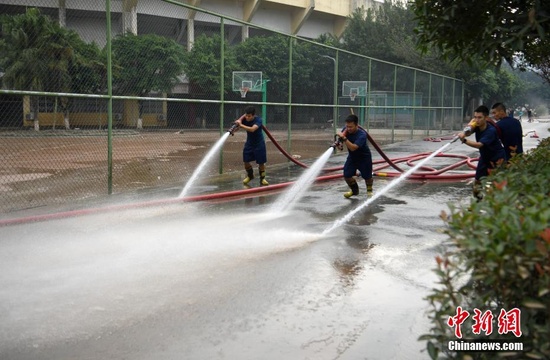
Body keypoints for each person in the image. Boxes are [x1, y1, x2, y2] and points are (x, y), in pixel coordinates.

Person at [458, 105, 506, 200]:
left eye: (479, 117)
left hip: (497, 159)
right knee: (477, 184)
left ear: (486, 118)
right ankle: (478, 203)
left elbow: (479, 145)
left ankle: (497, 207)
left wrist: (464, 140)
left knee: (497, 186)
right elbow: (469, 131)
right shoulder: (477, 125)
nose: (477, 120)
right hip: (485, 158)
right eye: (475, 117)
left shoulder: (490, 131)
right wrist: (464, 132)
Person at [336, 114, 373, 198]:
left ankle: (369, 190)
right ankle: (354, 191)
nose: (348, 129)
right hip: (352, 157)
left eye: (351, 127)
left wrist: (344, 139)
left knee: (367, 177)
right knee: (347, 175)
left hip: (364, 158)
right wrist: (339, 145)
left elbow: (353, 148)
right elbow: (341, 144)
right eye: (347, 126)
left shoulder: (362, 135)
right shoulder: (345, 130)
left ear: (357, 125)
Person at [234, 106, 269, 186]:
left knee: (261, 162)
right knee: (246, 161)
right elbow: (238, 127)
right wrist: (234, 129)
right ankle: (250, 175)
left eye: (249, 116)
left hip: (259, 143)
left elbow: (252, 129)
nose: (247, 117)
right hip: (249, 143)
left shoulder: (258, 120)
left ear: (253, 115)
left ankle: (262, 178)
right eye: (246, 115)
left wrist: (241, 125)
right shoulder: (244, 119)